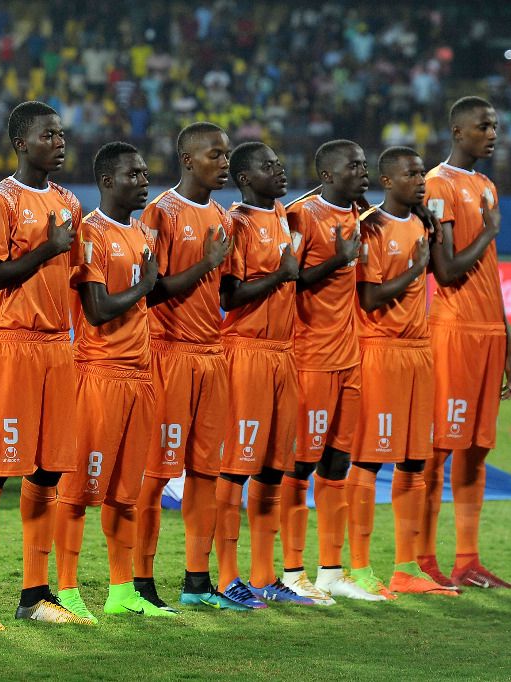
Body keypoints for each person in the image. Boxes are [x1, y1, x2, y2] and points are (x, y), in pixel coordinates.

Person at [0, 100, 86, 626]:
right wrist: (46, 247)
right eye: (48, 135)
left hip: (58, 347)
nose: (59, 142)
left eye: (61, 134)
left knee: (49, 469)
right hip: (13, 346)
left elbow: (74, 274)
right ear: (21, 142)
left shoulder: (68, 201)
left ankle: (36, 595)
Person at [54, 141, 174, 622]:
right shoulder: (92, 233)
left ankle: (122, 590)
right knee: (80, 490)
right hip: (99, 373)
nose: (144, 181)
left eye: (146, 174)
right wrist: (145, 286)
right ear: (107, 181)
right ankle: (65, 588)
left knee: (126, 492)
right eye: (134, 174)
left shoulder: (143, 232)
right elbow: (98, 310)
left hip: (139, 376)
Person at [418, 96, 511, 589]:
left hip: (488, 335)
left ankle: (467, 559)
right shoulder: (437, 184)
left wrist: (509, 344)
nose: (493, 133)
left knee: (477, 449)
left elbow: (490, 271)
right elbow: (448, 268)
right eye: (484, 126)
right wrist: (490, 234)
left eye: (495, 126)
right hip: (454, 330)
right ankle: (422, 561)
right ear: (459, 132)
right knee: (440, 447)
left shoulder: (485, 185)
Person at [347, 146, 457, 597]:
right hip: (380, 352)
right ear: (388, 180)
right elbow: (368, 298)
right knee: (370, 460)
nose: (421, 182)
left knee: (416, 461)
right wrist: (415, 270)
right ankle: (357, 567)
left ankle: (406, 567)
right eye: (412, 175)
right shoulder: (370, 226)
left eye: (422, 175)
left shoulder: (422, 223)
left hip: (418, 352)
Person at [135, 122, 235, 612]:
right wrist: (207, 262)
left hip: (211, 356)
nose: (225, 162)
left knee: (205, 472)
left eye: (227, 154)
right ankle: (139, 580)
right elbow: (151, 291)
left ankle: (197, 580)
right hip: (169, 353)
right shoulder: (160, 213)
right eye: (216, 154)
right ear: (188, 158)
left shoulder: (220, 213)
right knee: (156, 473)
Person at [215, 142, 316, 608]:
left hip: (283, 354)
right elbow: (230, 296)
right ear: (243, 178)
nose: (280, 169)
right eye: (269, 166)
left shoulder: (280, 214)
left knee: (274, 470)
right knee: (236, 469)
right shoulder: (234, 223)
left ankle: (264, 576)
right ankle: (227, 577)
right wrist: (280, 276)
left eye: (280, 162)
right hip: (246, 353)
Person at [281, 140, 382, 601]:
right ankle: (290, 571)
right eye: (354, 165)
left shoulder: (360, 216)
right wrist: (338, 260)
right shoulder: (303, 215)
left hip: (350, 358)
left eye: (365, 164)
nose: (364, 171)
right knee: (301, 465)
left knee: (337, 464)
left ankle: (330, 571)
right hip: (312, 358)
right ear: (327, 172)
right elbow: (293, 277)